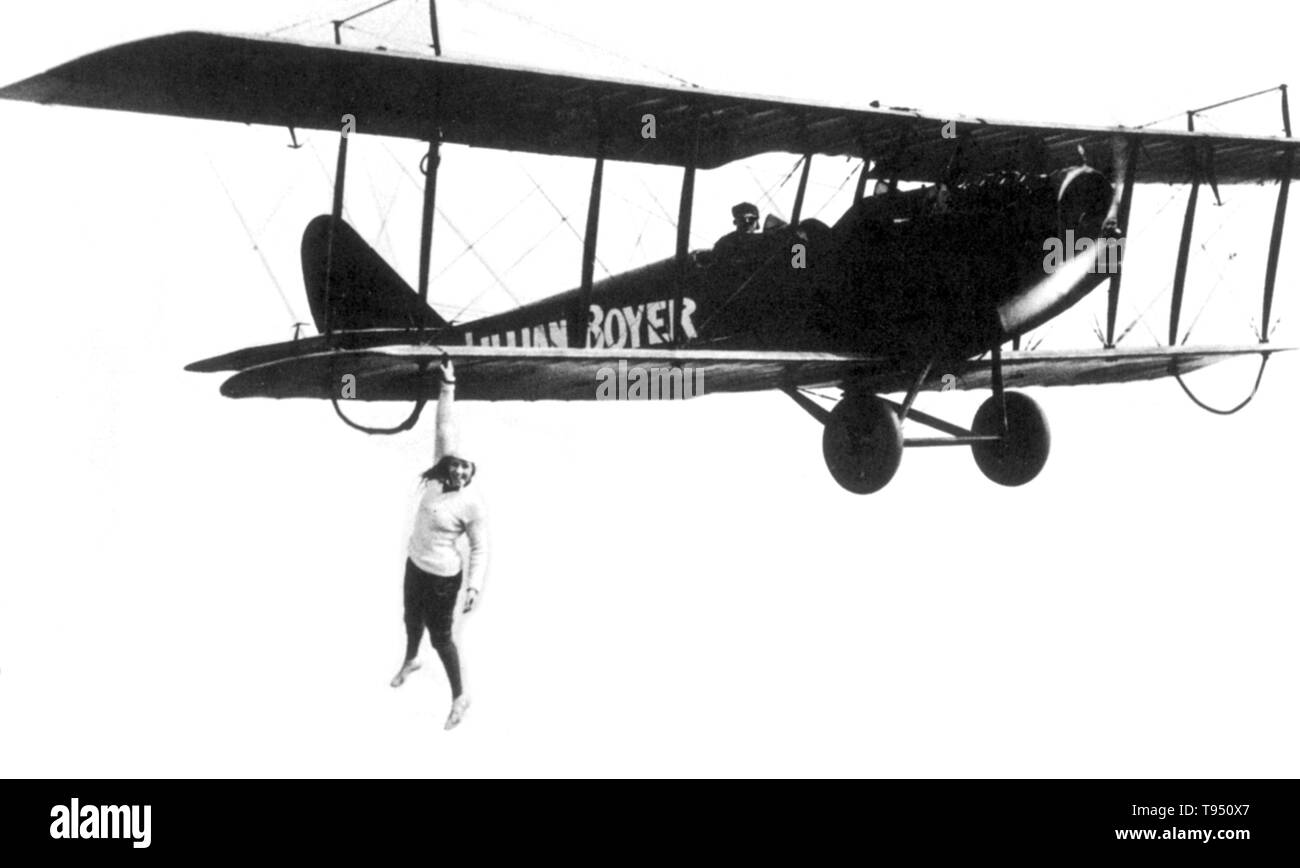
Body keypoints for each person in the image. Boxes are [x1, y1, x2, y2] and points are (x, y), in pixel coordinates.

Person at [390, 358, 488, 731]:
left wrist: (474, 586)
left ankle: (459, 695)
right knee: (409, 619)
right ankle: (410, 660)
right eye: (457, 465)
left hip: (444, 579)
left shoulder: (471, 504)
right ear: (449, 465)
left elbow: (480, 548)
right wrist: (448, 383)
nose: (461, 471)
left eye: (468, 468)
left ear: (472, 472)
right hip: (415, 565)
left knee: (441, 638)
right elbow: (444, 425)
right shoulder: (436, 476)